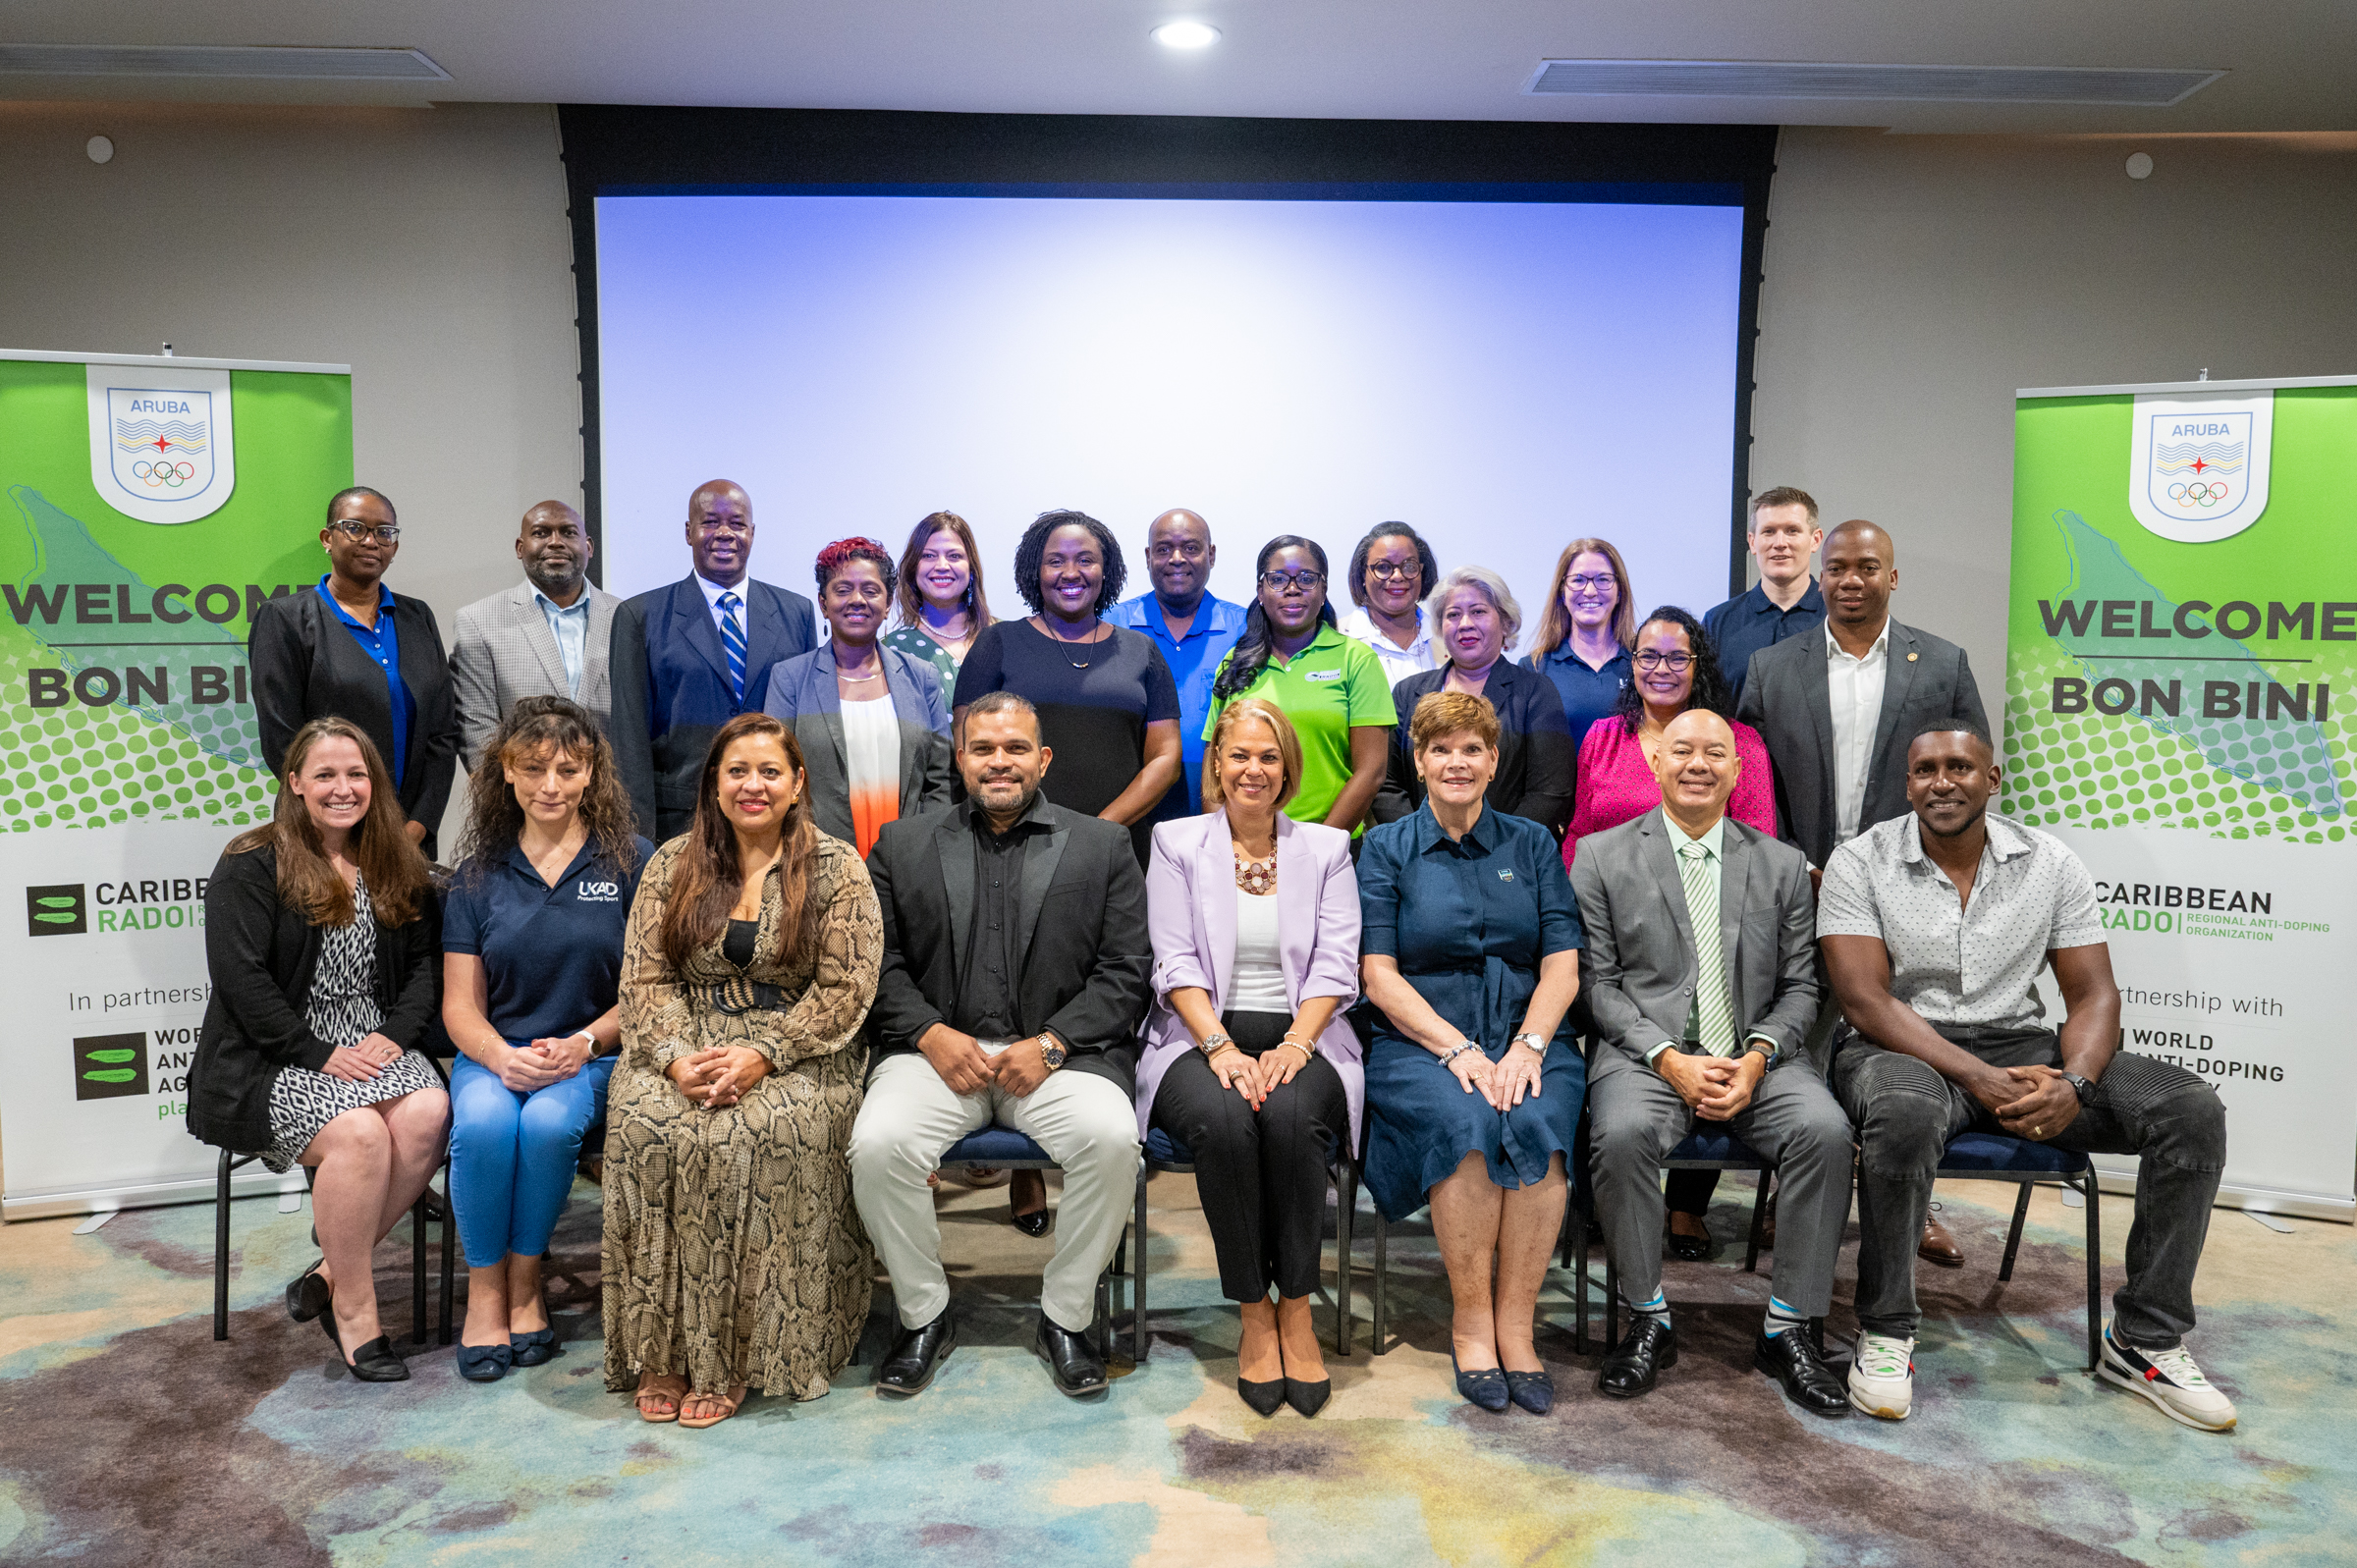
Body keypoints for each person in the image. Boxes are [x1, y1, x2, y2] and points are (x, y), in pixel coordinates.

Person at [1821, 725, 2235, 1433]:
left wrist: (2072, 1083)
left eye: (1959, 766)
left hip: (2023, 1051)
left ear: (1994, 777)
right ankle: (1887, 1329)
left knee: (2191, 1110)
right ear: (1908, 781)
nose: (1941, 782)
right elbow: (1865, 1000)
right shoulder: (1861, 861)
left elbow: (2095, 996)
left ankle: (2145, 1339)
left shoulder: (2051, 862)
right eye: (1924, 770)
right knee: (1906, 1113)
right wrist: (1980, 1078)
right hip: (1900, 1047)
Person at [850, 692, 1152, 1399]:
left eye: (1016, 747)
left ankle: (1066, 1317)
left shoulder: (1102, 845)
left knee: (1112, 1141)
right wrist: (928, 1031)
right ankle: (925, 1314)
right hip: (933, 1056)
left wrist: (1051, 1043)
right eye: (983, 748)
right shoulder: (901, 844)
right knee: (879, 1144)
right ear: (960, 759)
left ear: (1043, 759)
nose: (999, 762)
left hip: (1059, 1060)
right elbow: (874, 965)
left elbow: (1126, 971)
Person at [600, 713, 883, 1428]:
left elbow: (848, 987)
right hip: (684, 1042)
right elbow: (644, 980)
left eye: (768, 771)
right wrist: (674, 1057)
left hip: (800, 1049)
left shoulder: (839, 866)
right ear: (715, 783)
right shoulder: (670, 862)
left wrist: (766, 1052)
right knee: (645, 1125)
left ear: (797, 783)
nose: (752, 785)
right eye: (737, 771)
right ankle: (662, 1347)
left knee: (744, 1137)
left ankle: (737, 1356)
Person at [1569, 710, 1851, 1417]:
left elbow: (1802, 987)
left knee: (1826, 1131)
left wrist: (1757, 1058)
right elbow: (1597, 983)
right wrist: (1667, 1058)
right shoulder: (1601, 857)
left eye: (1715, 753)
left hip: (1758, 1057)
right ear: (1656, 763)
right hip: (1646, 1055)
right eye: (1682, 751)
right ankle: (1646, 1317)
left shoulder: (1783, 864)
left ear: (1738, 769)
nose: (1698, 764)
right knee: (1624, 1133)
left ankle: (1788, 1329)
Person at [1736, 518, 1990, 1271]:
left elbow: (1964, 771)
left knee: (1903, 1027)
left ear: (1892, 576)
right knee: (1802, 1026)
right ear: (1821, 576)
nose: (1851, 579)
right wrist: (1788, 862)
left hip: (1905, 878)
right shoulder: (1772, 665)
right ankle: (1797, 1182)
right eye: (1838, 567)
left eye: (1867, 567)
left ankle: (1913, 1193)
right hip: (1796, 877)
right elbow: (1751, 782)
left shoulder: (1941, 662)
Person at [187, 717, 449, 1382]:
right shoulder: (250, 863)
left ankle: (331, 1268)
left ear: (374, 783)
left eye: (356, 773)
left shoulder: (397, 862)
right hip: (276, 1051)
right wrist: (319, 1051)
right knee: (360, 1133)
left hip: (375, 1037)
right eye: (326, 774)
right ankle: (359, 1313)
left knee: (426, 1113)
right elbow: (241, 981)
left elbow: (424, 970)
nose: (342, 788)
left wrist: (391, 1037)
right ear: (295, 782)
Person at [1357, 692, 1583, 1415]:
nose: (1457, 761)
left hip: (1527, 1031)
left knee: (1539, 1119)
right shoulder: (1384, 847)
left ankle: (1517, 1327)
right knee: (1466, 1127)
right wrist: (1455, 1048)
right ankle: (1471, 1325)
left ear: (1493, 761)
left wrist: (1529, 1045)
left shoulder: (1533, 844)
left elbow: (1563, 962)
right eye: (1441, 749)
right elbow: (1378, 973)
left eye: (1472, 749)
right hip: (1418, 1038)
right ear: (1419, 762)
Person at [1137, 698, 1361, 1418]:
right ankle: (1253, 1312)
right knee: (1226, 1121)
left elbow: (1336, 963)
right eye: (1239, 755)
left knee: (1294, 1121)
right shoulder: (1176, 842)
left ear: (1288, 767)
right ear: (1217, 764)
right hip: (1197, 1032)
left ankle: (1296, 1305)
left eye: (1268, 756)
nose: (1253, 769)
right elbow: (1172, 961)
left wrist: (1297, 1041)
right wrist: (1222, 1047)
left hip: (1308, 1031)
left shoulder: (1327, 849)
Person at [441, 698, 650, 1382]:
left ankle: (525, 1283)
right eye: (533, 768)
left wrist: (585, 1043)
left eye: (568, 767)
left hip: (593, 1055)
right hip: (495, 1057)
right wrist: (500, 1056)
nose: (550, 784)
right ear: (505, 770)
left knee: (551, 1127)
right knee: (482, 1126)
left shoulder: (630, 862)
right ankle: (485, 1290)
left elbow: (650, 991)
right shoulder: (475, 876)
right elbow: (459, 1007)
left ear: (592, 773)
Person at [1563, 605, 1776, 1254]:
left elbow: (1760, 839)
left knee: (1711, 1034)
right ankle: (1607, 1191)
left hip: (1707, 925)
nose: (1660, 669)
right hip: (1608, 922)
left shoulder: (1738, 741)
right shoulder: (1603, 736)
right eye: (1648, 656)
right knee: (1600, 1049)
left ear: (1698, 665)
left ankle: (1686, 1205)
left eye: (1676, 657)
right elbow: (1579, 828)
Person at [953, 510, 1181, 866]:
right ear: (1035, 572)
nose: (1071, 573)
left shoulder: (1142, 651)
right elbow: (969, 749)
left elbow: (1166, 759)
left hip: (1115, 847)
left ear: (1106, 571)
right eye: (1055, 561)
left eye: (1086, 560)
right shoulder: (997, 643)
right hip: (1014, 847)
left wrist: (1100, 829)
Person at [250, 487, 459, 858]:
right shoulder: (285, 620)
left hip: (409, 840)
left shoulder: (418, 617)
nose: (371, 541)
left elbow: (441, 734)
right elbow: (283, 740)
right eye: (355, 528)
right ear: (327, 539)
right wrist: (343, 825)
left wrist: (417, 826)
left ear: (394, 546)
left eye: (384, 532)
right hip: (325, 837)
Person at [609, 479, 818, 842]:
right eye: (710, 522)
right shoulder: (639, 616)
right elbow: (629, 741)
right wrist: (636, 841)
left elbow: (804, 733)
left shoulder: (796, 613)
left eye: (737, 524)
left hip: (775, 821)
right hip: (680, 825)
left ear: (752, 532)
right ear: (689, 532)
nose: (725, 533)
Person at [761, 538, 954, 857]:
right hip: (816, 859)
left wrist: (926, 848)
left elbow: (940, 780)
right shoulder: (790, 678)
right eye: (842, 589)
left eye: (870, 589)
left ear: (888, 602)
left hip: (910, 859)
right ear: (823, 604)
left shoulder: (922, 677)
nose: (857, 600)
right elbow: (776, 773)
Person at [1204, 536, 1394, 837]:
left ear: (1323, 591)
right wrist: (1225, 844)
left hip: (1329, 843)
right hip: (1242, 844)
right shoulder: (1235, 662)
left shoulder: (1356, 660)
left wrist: (1320, 848)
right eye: (1278, 579)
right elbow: (1212, 769)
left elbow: (1371, 773)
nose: (1292, 589)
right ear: (1261, 592)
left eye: (1306, 579)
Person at [1372, 566, 1573, 838]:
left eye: (1478, 611)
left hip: (1509, 857)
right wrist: (1420, 840)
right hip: (1419, 855)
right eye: (1453, 615)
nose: (1465, 623)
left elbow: (1551, 792)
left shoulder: (1535, 691)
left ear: (1505, 621)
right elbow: (1386, 785)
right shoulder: (1408, 694)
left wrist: (1495, 847)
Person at [447, 500, 623, 771]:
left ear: (588, 546)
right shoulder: (478, 621)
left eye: (568, 532)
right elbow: (477, 729)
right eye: (541, 533)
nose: (555, 542)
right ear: (520, 548)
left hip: (613, 797)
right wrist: (506, 798)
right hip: (522, 802)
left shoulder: (626, 617)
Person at [1106, 508, 1248, 826]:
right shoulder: (1113, 627)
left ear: (1211, 555)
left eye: (1191, 547)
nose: (1177, 558)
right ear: (1147, 557)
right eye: (1164, 549)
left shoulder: (1245, 629)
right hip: (1134, 803)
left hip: (1225, 805)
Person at [1702, 487, 1826, 708]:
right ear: (1752, 542)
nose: (1779, 542)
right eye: (1768, 531)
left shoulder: (1836, 618)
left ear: (1815, 540)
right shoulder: (1717, 622)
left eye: (1792, 530)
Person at [1523, 537, 1637, 754]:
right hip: (1561, 789)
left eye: (1603, 579)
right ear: (1562, 592)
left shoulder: (1641, 665)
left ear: (1619, 592)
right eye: (1578, 580)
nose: (1590, 591)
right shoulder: (1535, 668)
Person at [881, 510, 996, 692]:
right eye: (928, 556)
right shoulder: (893, 649)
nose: (942, 566)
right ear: (913, 569)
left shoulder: (1005, 637)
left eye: (954, 556)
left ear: (971, 569)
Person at [1338, 521, 1442, 689]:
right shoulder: (1337, 636)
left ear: (1423, 572)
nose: (1397, 576)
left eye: (1409, 566)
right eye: (1383, 567)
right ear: (1362, 575)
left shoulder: (1447, 635)